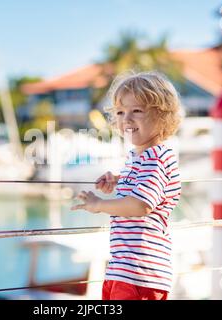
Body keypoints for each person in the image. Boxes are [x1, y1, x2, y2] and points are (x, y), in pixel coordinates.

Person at [71, 71, 182, 300]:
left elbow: (141, 205)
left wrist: (100, 204)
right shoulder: (138, 157)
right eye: (121, 112)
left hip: (139, 273)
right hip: (124, 269)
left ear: (162, 116)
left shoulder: (155, 157)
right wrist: (120, 179)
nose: (126, 119)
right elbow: (146, 184)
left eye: (137, 111)